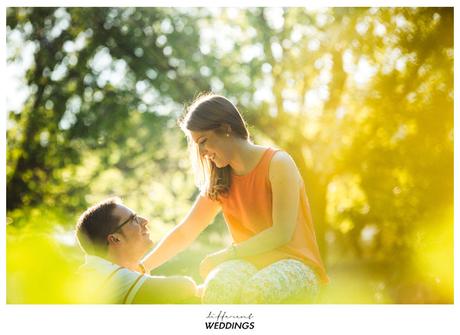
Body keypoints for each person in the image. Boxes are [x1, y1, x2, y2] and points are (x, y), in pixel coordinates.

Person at [139, 93, 329, 304]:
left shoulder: (278, 163)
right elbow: (186, 231)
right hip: (250, 264)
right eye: (197, 145)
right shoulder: (221, 180)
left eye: (203, 141)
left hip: (297, 264)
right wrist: (141, 268)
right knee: (217, 287)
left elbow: (281, 233)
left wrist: (225, 255)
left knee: (258, 290)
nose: (201, 152)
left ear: (226, 128)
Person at [75, 197, 199, 304]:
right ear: (115, 239)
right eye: (133, 219)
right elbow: (185, 287)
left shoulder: (95, 271)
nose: (145, 221)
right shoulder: (114, 278)